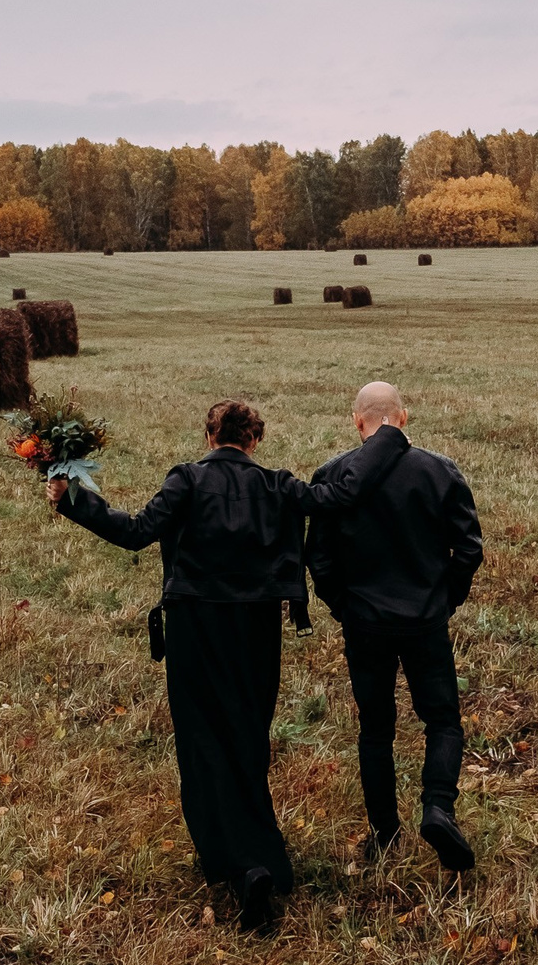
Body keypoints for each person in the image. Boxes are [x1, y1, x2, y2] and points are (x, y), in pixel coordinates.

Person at [49, 398, 408, 930]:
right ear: (254, 440)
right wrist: (388, 440)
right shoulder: (279, 485)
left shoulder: (186, 481)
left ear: (210, 436)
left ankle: (242, 867)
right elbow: (338, 496)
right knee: (247, 737)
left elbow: (135, 532)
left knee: (202, 742)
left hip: (196, 627)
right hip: (257, 629)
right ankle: (256, 857)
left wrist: (72, 498)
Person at [305, 381, 484, 871]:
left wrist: (342, 605)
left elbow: (317, 556)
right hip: (424, 619)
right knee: (443, 719)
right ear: (403, 417)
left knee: (375, 728)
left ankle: (384, 834)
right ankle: (438, 808)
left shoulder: (333, 474)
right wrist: (444, 600)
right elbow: (469, 548)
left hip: (364, 622)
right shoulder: (439, 471)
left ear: (356, 420)